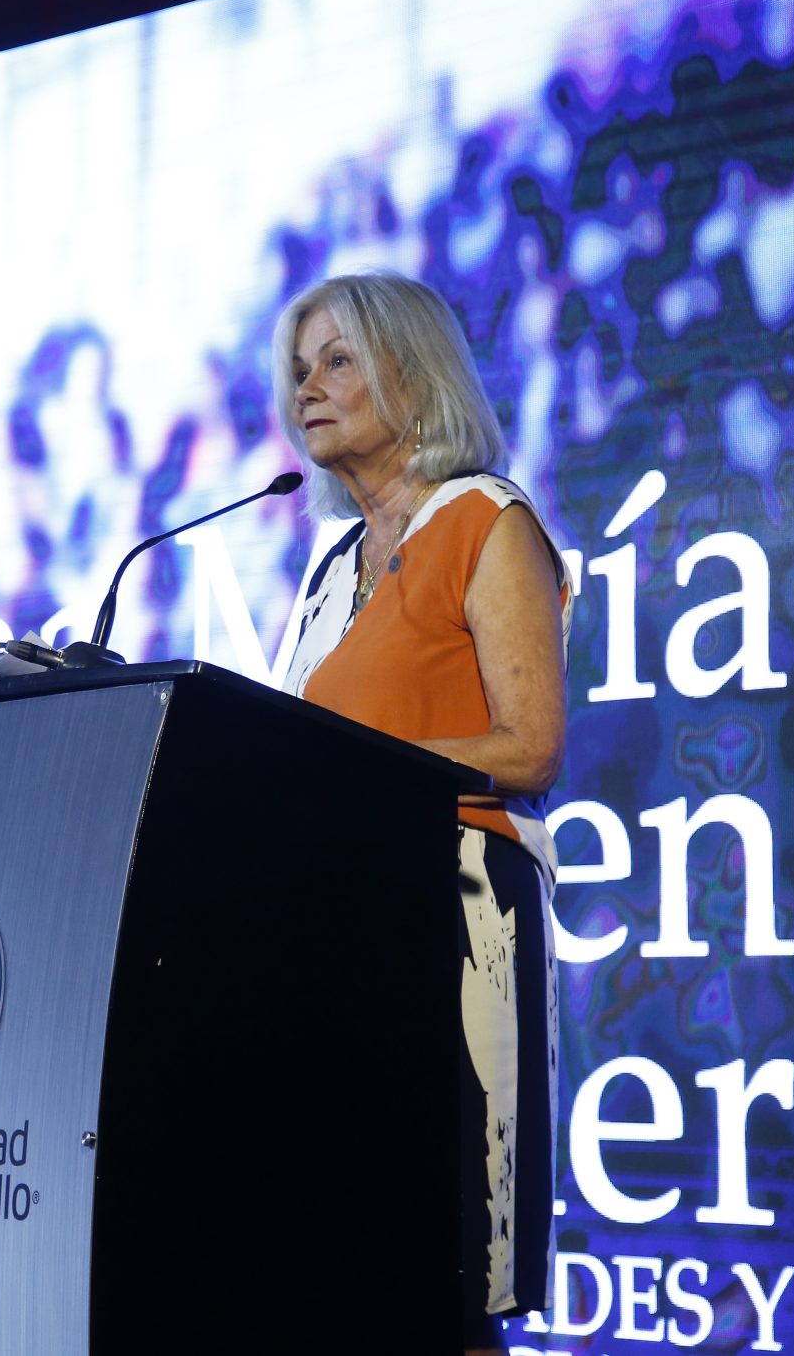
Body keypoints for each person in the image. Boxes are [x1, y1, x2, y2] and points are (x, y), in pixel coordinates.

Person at [273, 272, 568, 1356]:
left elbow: (529, 746)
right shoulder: (325, 572)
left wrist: (356, 769)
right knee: (353, 1262)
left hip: (456, 921)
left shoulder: (485, 521)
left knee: (445, 1277)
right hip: (337, 930)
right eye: (298, 370)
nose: (307, 388)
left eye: (337, 360)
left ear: (414, 372)